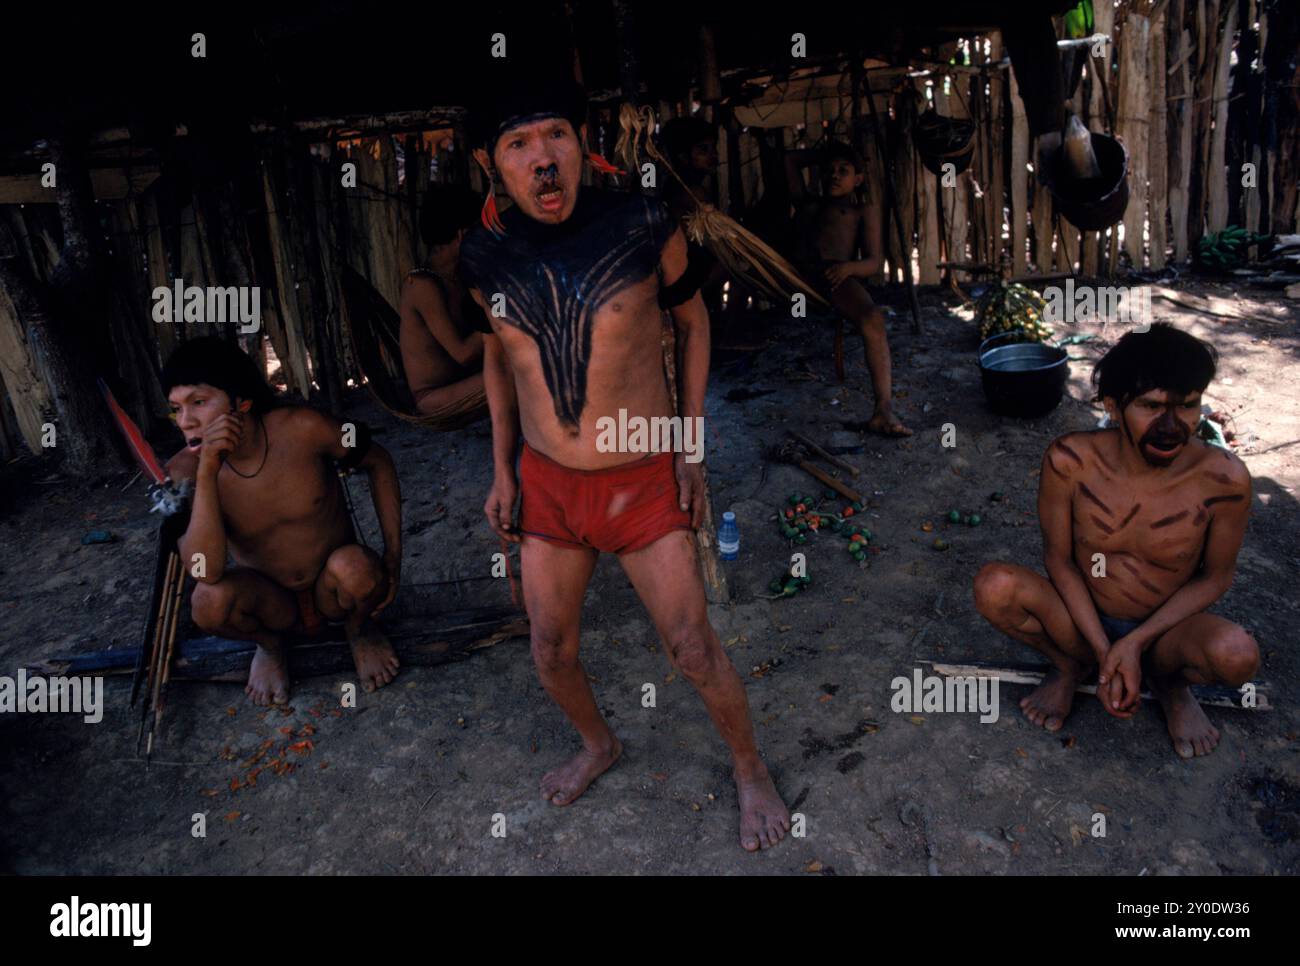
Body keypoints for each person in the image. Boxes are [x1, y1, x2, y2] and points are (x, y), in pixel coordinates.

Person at [459, 70, 790, 851]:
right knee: (549, 647)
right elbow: (497, 362)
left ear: (584, 146)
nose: (542, 160)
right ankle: (598, 744)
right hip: (548, 484)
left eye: (557, 137)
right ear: (492, 164)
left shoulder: (645, 223)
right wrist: (503, 470)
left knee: (693, 647)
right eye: (518, 144)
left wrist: (692, 448)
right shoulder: (482, 256)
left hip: (641, 476)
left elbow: (694, 327)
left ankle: (750, 770)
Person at [973, 324, 1258, 757]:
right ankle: (1071, 666)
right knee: (995, 587)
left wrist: (1135, 643)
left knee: (1237, 656)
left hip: (1166, 634)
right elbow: (1060, 560)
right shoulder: (1070, 461)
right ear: (1113, 406)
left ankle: (1171, 686)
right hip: (1078, 621)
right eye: (1151, 406)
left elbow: (1215, 579)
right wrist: (1107, 652)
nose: (1171, 426)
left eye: (1187, 406)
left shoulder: (1224, 479)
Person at [162, 337, 402, 705]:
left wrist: (392, 557)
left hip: (333, 589)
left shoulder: (304, 429)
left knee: (356, 568)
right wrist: (208, 471)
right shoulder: (183, 472)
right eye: (176, 409)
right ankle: (271, 647)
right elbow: (205, 571)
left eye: (198, 402)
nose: (186, 421)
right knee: (207, 601)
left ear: (242, 401)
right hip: (270, 604)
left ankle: (359, 629)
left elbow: (378, 460)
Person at [785, 141, 910, 436]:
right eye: (829, 170)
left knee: (873, 319)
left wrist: (848, 268)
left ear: (859, 179)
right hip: (791, 276)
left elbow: (874, 262)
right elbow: (789, 160)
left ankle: (883, 410)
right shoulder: (807, 202)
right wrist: (831, 151)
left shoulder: (861, 210)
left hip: (835, 276)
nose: (834, 175)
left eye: (844, 170)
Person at [399, 184, 487, 414]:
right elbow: (464, 354)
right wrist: (498, 314)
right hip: (435, 398)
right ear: (462, 235)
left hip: (465, 382)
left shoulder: (459, 274)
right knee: (516, 372)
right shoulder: (421, 285)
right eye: (479, 230)